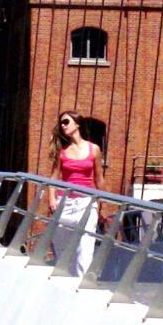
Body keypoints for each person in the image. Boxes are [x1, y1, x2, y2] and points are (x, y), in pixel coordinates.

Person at [46, 110, 106, 277]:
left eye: (66, 122)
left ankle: (81, 284)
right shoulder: (62, 152)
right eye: (61, 123)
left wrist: (104, 205)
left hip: (86, 203)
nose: (63, 125)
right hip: (65, 203)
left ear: (77, 124)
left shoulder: (94, 149)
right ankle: (66, 282)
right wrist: (51, 199)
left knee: (85, 249)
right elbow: (53, 177)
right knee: (63, 250)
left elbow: (99, 178)